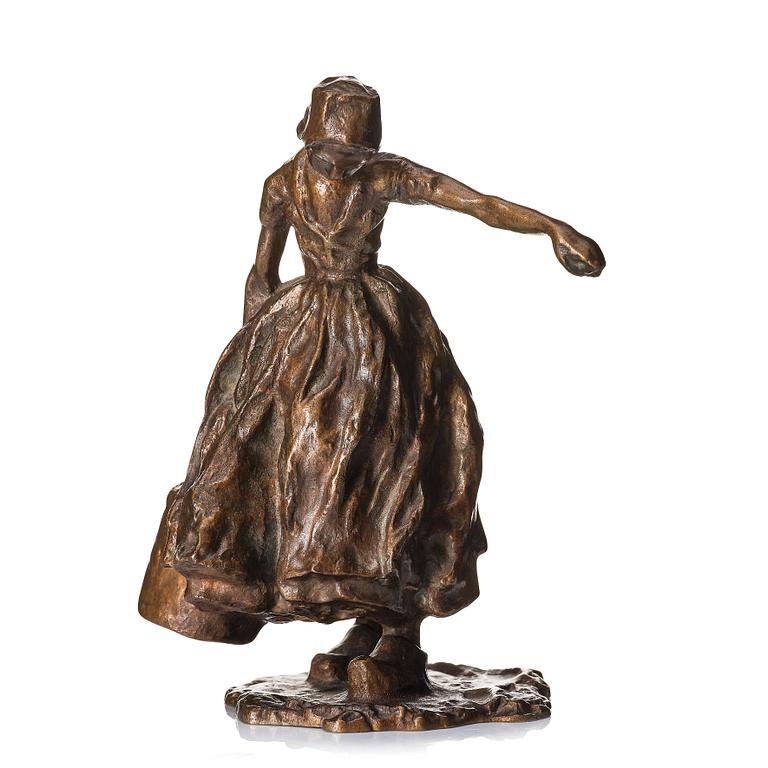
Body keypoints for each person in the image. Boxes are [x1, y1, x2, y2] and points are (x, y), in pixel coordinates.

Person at [139, 76, 604, 701]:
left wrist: (552, 227)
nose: (345, 167)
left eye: (357, 156)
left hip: (377, 330)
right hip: (302, 326)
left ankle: (397, 630)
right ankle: (354, 617)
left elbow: (474, 202)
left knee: (386, 465)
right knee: (279, 463)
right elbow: (262, 270)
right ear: (308, 135)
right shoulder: (281, 185)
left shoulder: (384, 177)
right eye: (334, 153)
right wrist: (251, 356)